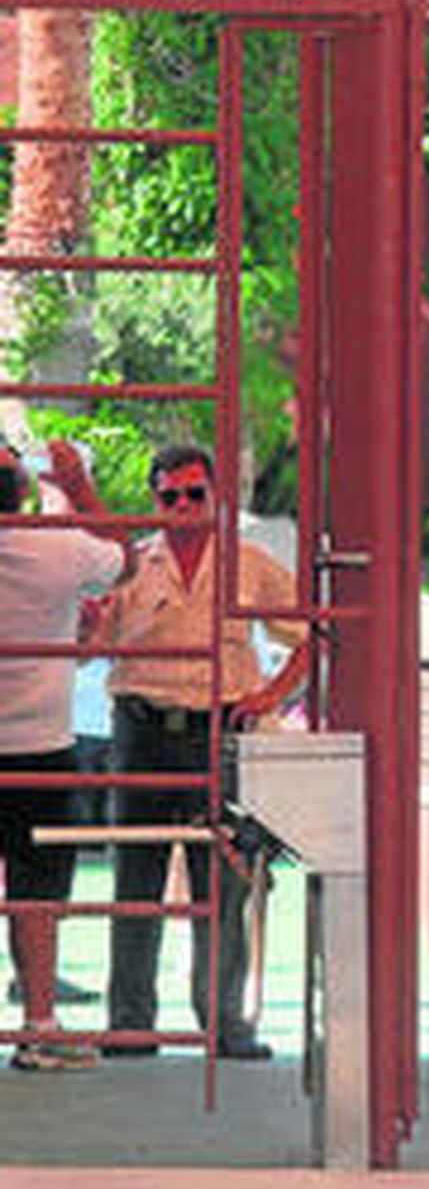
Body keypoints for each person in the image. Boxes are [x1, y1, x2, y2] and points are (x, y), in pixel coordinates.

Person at [93, 445, 306, 1060]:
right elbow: (91, 646)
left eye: (195, 495)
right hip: (142, 729)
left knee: (224, 883)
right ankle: (131, 1023)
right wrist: (85, 623)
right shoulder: (131, 565)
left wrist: (267, 695)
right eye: (170, 497)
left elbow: (309, 635)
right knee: (137, 876)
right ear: (155, 501)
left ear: (217, 497)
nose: (183, 508)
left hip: (219, 731)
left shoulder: (251, 565)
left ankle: (223, 1024)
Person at [0, 439, 125, 1070]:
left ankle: (40, 1027)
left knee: (33, 889)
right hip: (39, 748)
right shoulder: (59, 548)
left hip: (36, 742)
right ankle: (39, 1025)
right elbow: (121, 558)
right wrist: (77, 485)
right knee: (37, 891)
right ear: (23, 487)